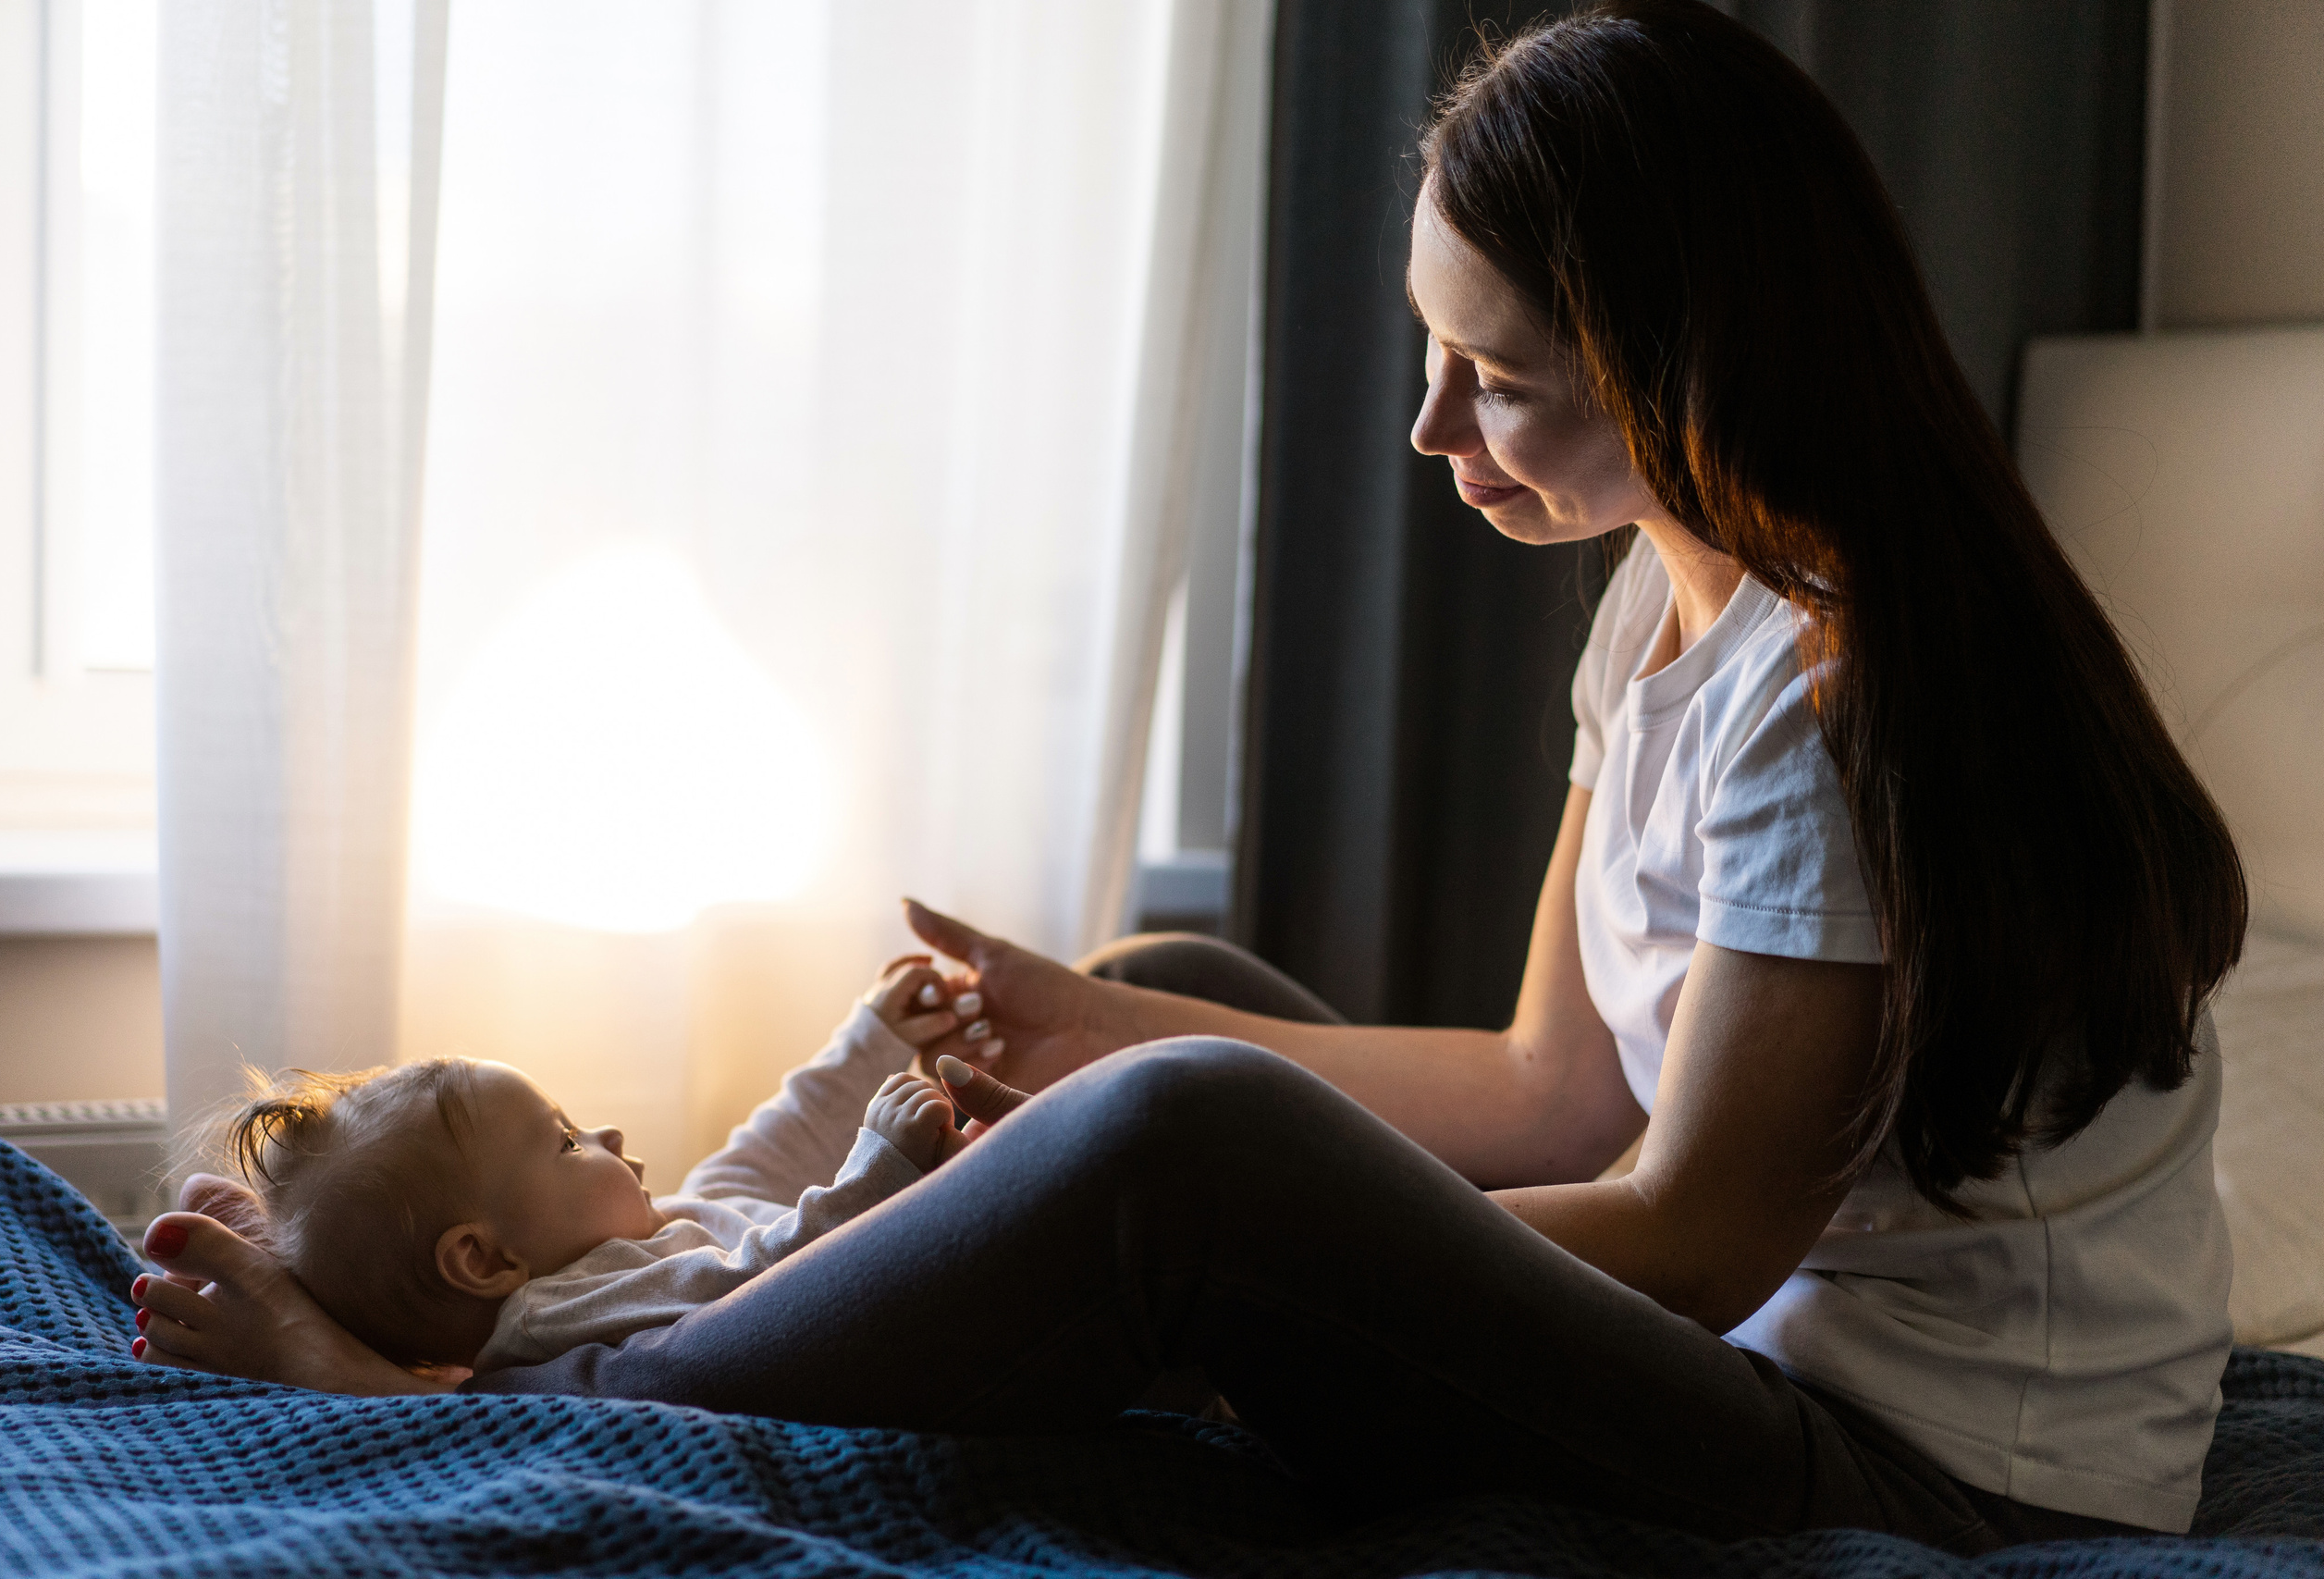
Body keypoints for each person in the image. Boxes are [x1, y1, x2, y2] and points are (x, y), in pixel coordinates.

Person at [131, 1, 2245, 1553]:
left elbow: (1685, 1236)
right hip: (1746, 1353)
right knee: (1156, 994)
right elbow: (1549, 1087)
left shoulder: (1831, 686)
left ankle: (499, 1394)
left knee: (1182, 1136)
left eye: (1494, 379)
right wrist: (1096, 1022)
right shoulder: (1666, 621)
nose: (1431, 433)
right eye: (1429, 353)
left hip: (1913, 1462)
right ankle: (1036, 1157)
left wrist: (1202, 1188)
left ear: (1693, 361)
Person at [132, 962, 988, 1376]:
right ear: (486, 1259)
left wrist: (870, 1039)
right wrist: (876, 1175)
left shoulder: (628, 1242)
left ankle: (300, 1281)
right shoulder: (568, 1306)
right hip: (922, 1323)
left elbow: (763, 1153)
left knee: (731, 1177)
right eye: (569, 1142)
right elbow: (777, 1276)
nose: (607, 1130)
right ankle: (317, 1332)